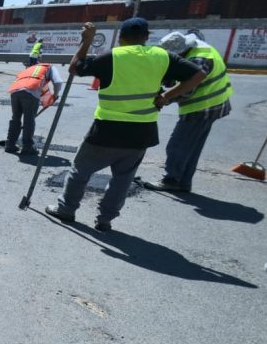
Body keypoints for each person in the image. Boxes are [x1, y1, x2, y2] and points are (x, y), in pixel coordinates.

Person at [44, 19, 206, 232]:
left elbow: (75, 68)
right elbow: (199, 74)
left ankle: (66, 209)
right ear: (147, 37)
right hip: (142, 131)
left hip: (106, 130)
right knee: (122, 178)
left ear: (120, 37)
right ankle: (105, 219)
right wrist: (167, 96)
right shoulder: (162, 56)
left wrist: (87, 42)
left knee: (81, 170)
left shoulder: (113, 56)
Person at [137, 31, 233, 193]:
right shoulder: (200, 49)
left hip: (202, 107)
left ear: (181, 52)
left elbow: (186, 90)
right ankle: (183, 182)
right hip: (215, 104)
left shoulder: (198, 60)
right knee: (192, 147)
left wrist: (164, 98)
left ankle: (171, 180)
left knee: (178, 145)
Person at [5, 60, 64, 155]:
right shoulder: (50, 67)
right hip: (30, 92)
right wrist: (55, 95)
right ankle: (27, 147)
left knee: (15, 118)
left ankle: (10, 144)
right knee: (29, 120)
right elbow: (58, 82)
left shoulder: (30, 68)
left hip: (15, 91)